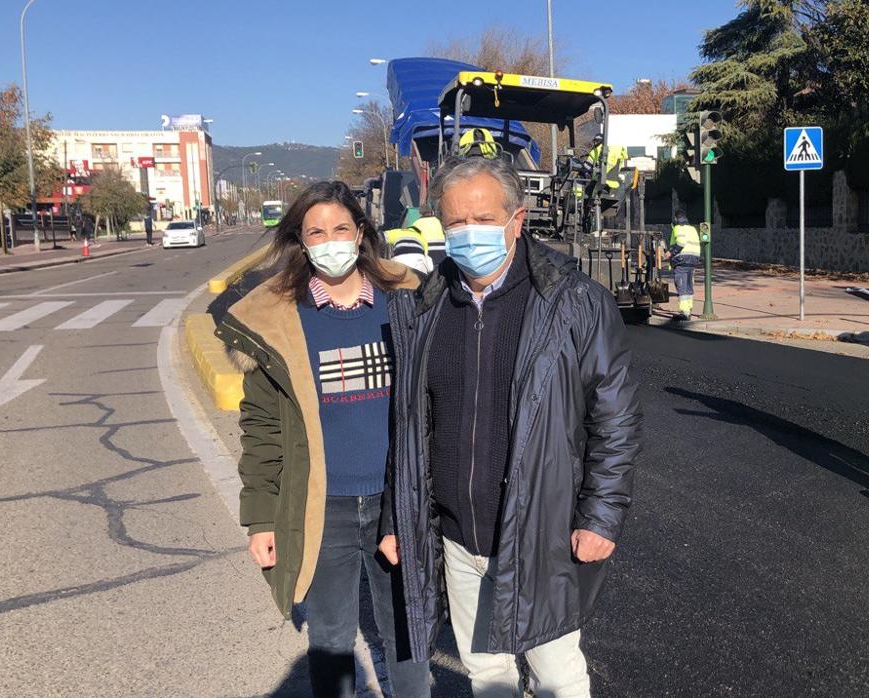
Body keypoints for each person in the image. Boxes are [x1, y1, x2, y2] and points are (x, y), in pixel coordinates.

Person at [380, 156, 642, 697]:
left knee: (555, 675)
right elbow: (409, 427)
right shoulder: (427, 309)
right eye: (455, 223)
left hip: (539, 532)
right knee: (487, 673)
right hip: (457, 537)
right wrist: (396, 517)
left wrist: (602, 517)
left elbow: (615, 417)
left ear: (516, 221)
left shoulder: (571, 302)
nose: (468, 233)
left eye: (482, 218)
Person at [215, 181, 431, 697]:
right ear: (301, 241)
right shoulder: (279, 320)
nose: (330, 240)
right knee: (331, 640)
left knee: (406, 636)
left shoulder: (404, 300)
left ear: (361, 233)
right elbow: (263, 429)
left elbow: (432, 407)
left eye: (340, 228)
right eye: (316, 231)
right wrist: (261, 519)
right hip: (321, 507)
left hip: (395, 502)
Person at [666, 211, 701, 320]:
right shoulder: (692, 229)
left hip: (682, 260)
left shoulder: (678, 228)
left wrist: (670, 253)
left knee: (681, 286)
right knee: (689, 286)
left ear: (676, 219)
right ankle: (689, 309)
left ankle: (684, 313)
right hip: (693, 260)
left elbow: (681, 242)